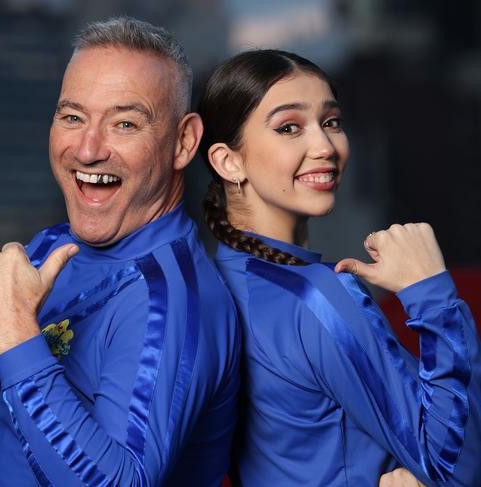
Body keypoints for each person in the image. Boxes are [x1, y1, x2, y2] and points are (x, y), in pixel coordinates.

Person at [0, 17, 241, 486]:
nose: (88, 148)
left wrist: (14, 336)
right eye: (72, 117)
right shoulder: (50, 250)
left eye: (125, 123)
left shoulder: (174, 299)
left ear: (183, 142)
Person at [197, 49, 481, 486]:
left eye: (331, 122)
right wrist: (431, 292)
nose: (325, 146)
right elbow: (457, 467)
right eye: (289, 127)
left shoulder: (214, 282)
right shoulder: (318, 298)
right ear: (227, 160)